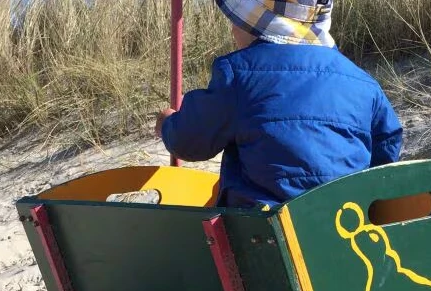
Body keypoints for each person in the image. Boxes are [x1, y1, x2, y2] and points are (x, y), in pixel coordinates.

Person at [155, 0, 404, 211]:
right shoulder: (363, 82)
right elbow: (387, 144)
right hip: (343, 227)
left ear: (257, 27)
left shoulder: (239, 73)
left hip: (264, 235)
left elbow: (190, 141)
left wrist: (167, 124)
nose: (233, 29)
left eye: (237, 20)